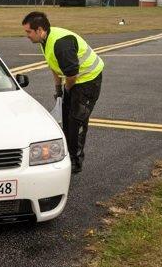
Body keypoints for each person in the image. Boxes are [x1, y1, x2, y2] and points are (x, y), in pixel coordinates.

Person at [22, 12, 104, 176]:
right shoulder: (45, 40)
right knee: (65, 119)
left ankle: (75, 161)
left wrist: (66, 90)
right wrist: (58, 90)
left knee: (76, 121)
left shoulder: (61, 43)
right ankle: (68, 155)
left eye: (28, 32)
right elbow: (54, 66)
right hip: (73, 81)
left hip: (88, 80)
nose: (27, 36)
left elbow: (72, 75)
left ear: (39, 30)